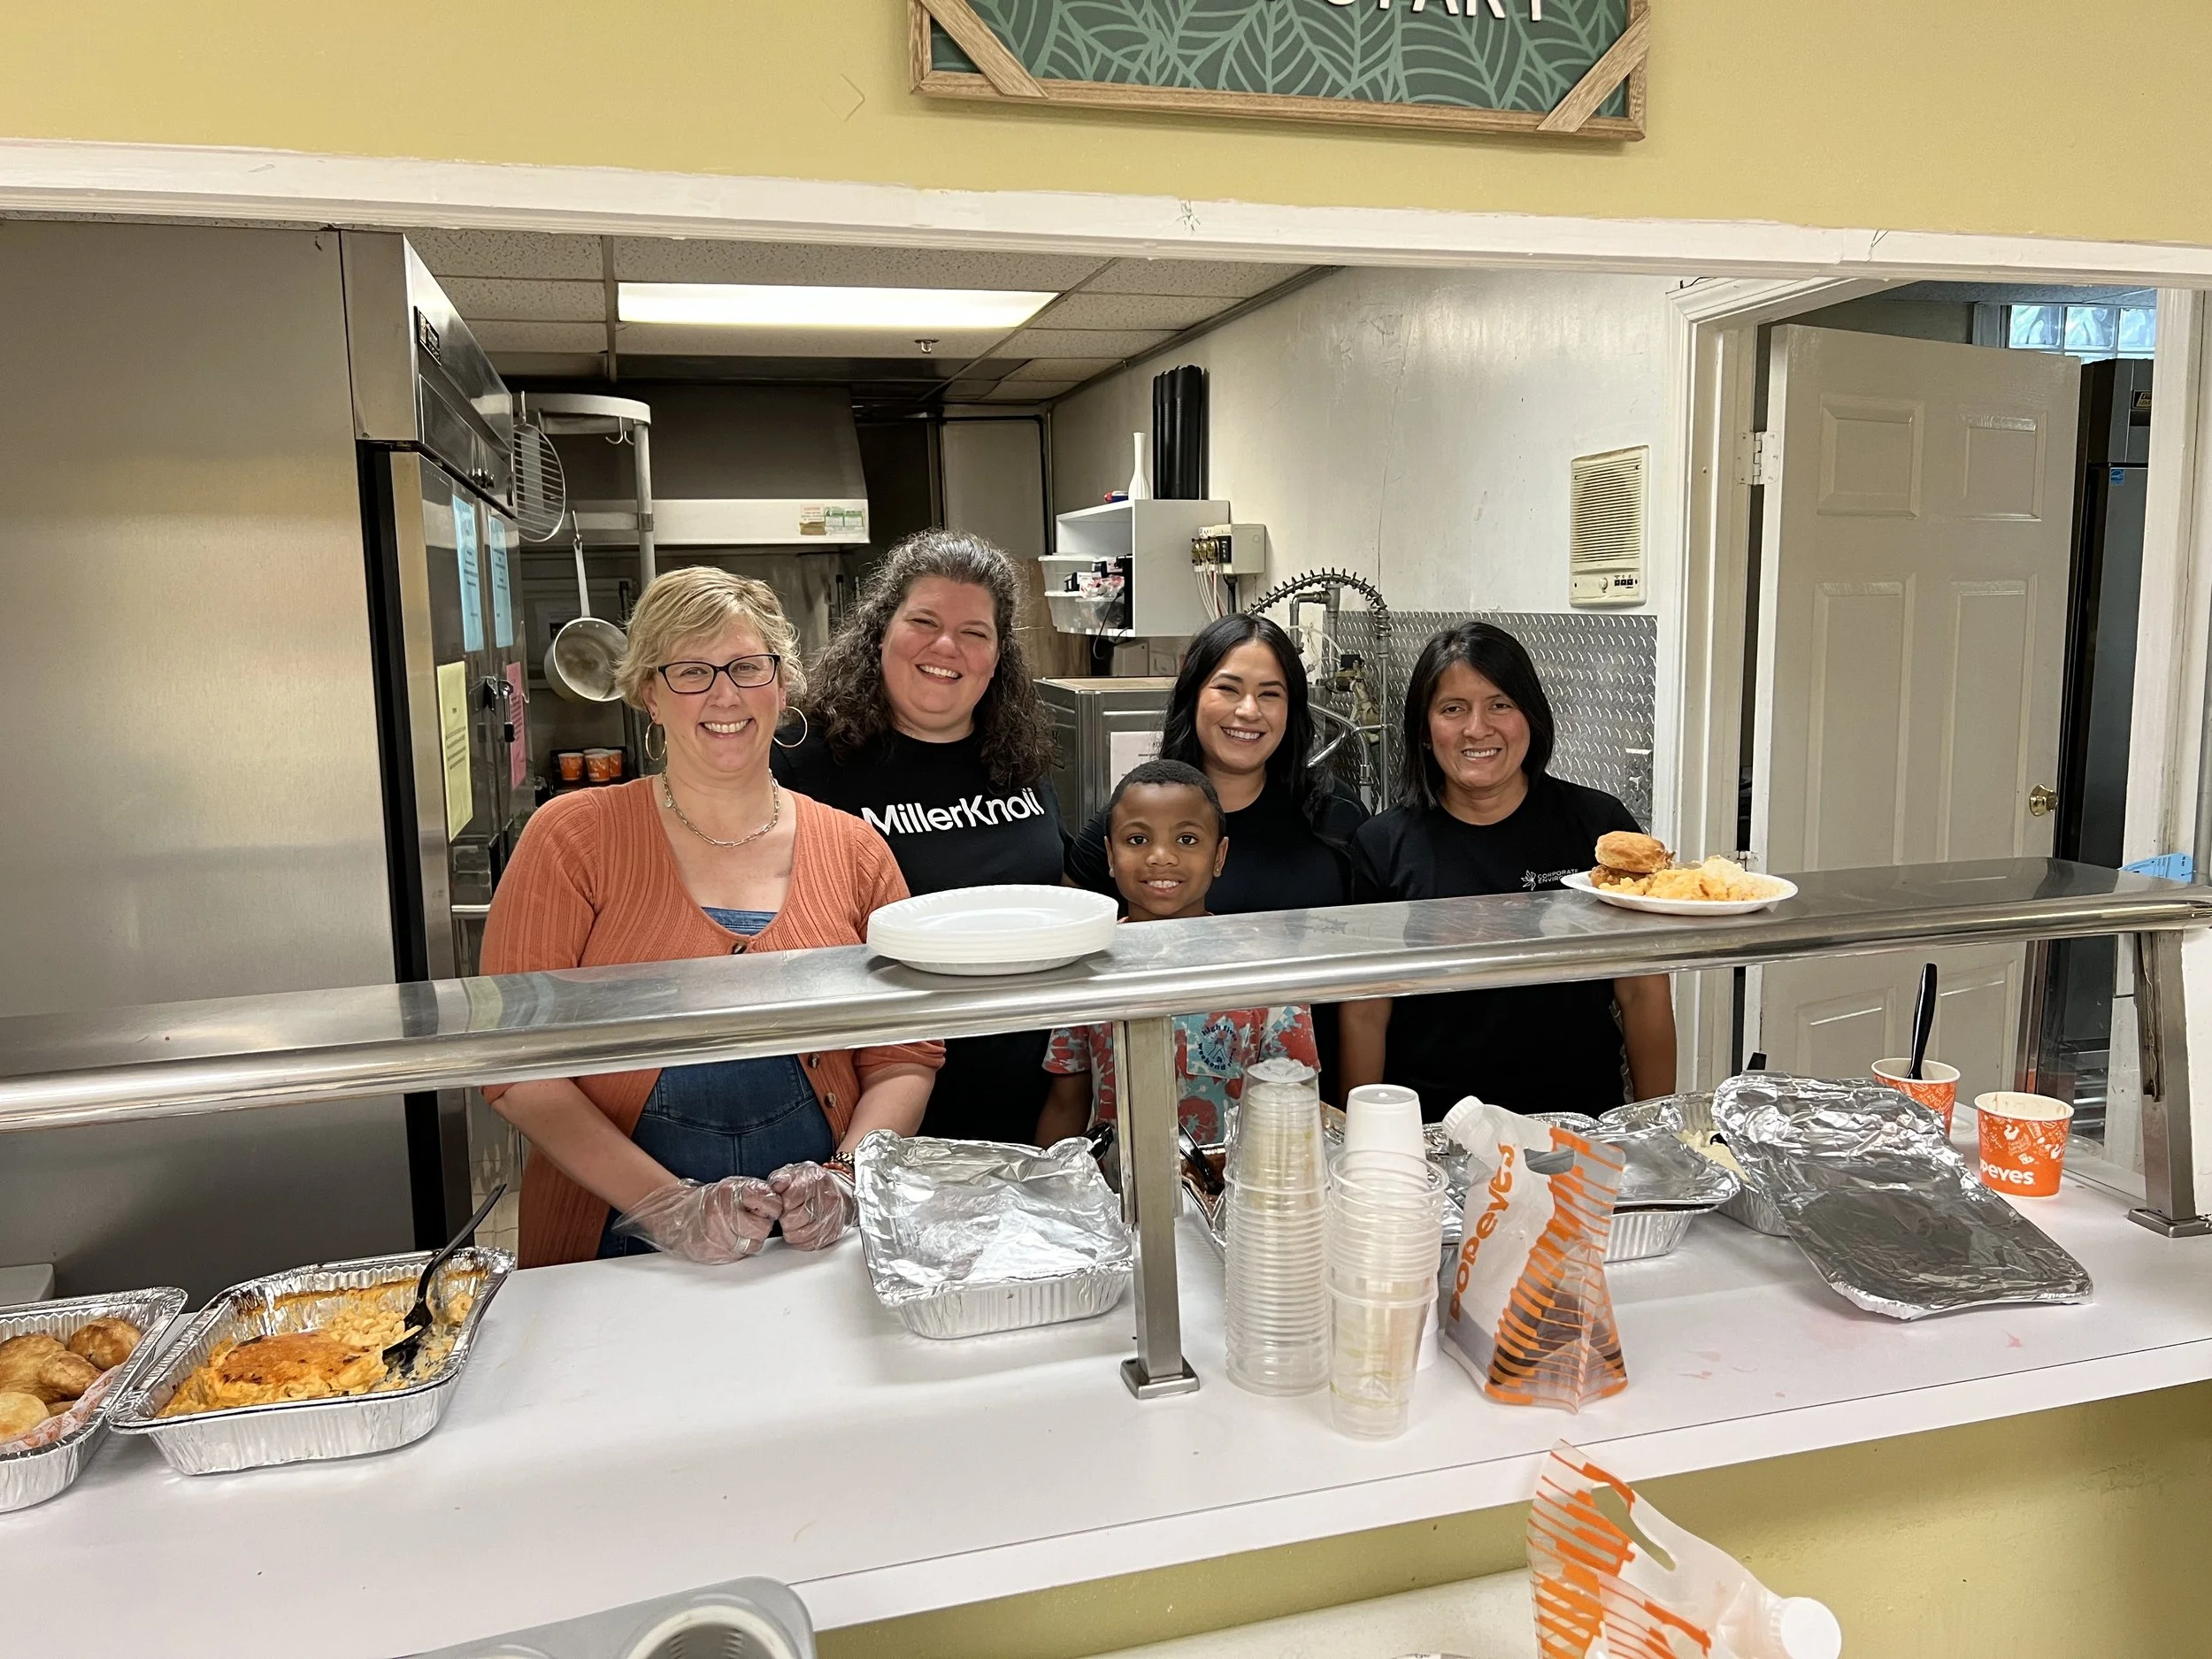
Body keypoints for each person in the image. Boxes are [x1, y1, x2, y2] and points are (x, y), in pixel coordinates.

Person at [480, 566, 941, 1268]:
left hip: (809, 1249)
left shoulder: (855, 850)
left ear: (782, 686)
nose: (725, 694)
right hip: (612, 1248)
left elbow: (905, 1052)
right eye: (691, 671)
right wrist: (668, 1207)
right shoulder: (571, 839)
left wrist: (847, 1180)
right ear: (649, 694)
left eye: (748, 667)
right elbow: (512, 1066)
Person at [773, 529, 1064, 1144]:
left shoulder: (1017, 756)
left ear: (998, 655)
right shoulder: (804, 759)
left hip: (1025, 1103)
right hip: (871, 1109)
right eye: (924, 621)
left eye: (974, 632)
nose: (946, 646)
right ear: (882, 629)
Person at [1340, 621, 1675, 1119]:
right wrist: (1362, 1138)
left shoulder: (1598, 828)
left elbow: (1643, 989)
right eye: (1453, 709)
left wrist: (1655, 1128)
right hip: (1433, 1126)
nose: (1478, 728)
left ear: (1530, 717)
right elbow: (1366, 1010)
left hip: (1580, 1120)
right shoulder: (1383, 844)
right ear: (1425, 731)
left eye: (1500, 704)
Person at [1064, 613, 1366, 1091]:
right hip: (1157, 1096)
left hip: (1301, 1098)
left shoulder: (1335, 816)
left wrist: (1353, 1109)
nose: (1248, 710)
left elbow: (1364, 982)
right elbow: (1073, 965)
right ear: (1193, 695)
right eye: (1228, 688)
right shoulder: (1127, 827)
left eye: (1270, 694)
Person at [1037, 760, 1319, 1147]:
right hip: (1113, 1182)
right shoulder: (1087, 966)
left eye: (1186, 839)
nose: (1161, 856)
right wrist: (1051, 1180)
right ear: (1110, 855)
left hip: (1231, 1182)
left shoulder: (1265, 971)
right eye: (1138, 839)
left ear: (1219, 856)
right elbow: (1066, 1103)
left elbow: (1296, 1109)